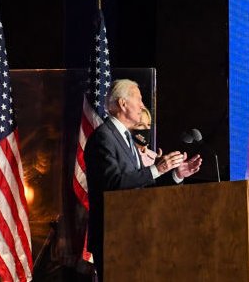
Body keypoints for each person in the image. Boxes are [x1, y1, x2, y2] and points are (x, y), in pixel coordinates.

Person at [84, 79, 202, 276]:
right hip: (113, 235)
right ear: (122, 103)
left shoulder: (126, 137)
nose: (142, 105)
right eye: (138, 100)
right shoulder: (103, 137)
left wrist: (175, 174)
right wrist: (157, 168)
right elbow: (113, 184)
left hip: (134, 233)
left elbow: (141, 187)